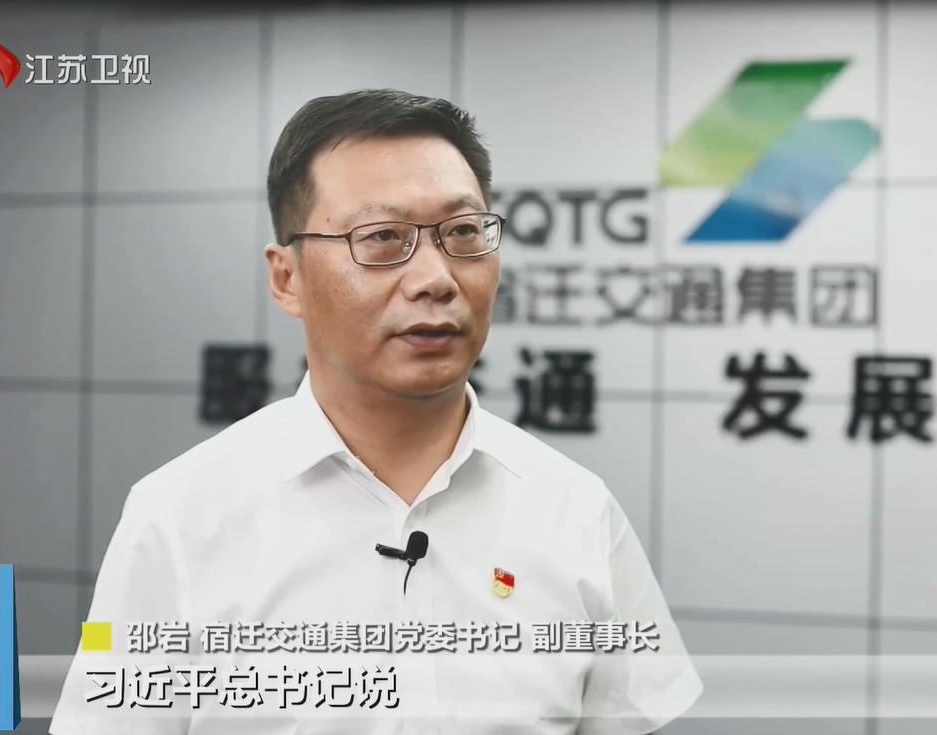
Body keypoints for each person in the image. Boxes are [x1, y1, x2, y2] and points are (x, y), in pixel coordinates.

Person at [50, 88, 701, 735]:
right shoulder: (179, 518)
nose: (435, 279)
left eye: (463, 232)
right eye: (383, 237)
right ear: (287, 278)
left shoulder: (577, 509)